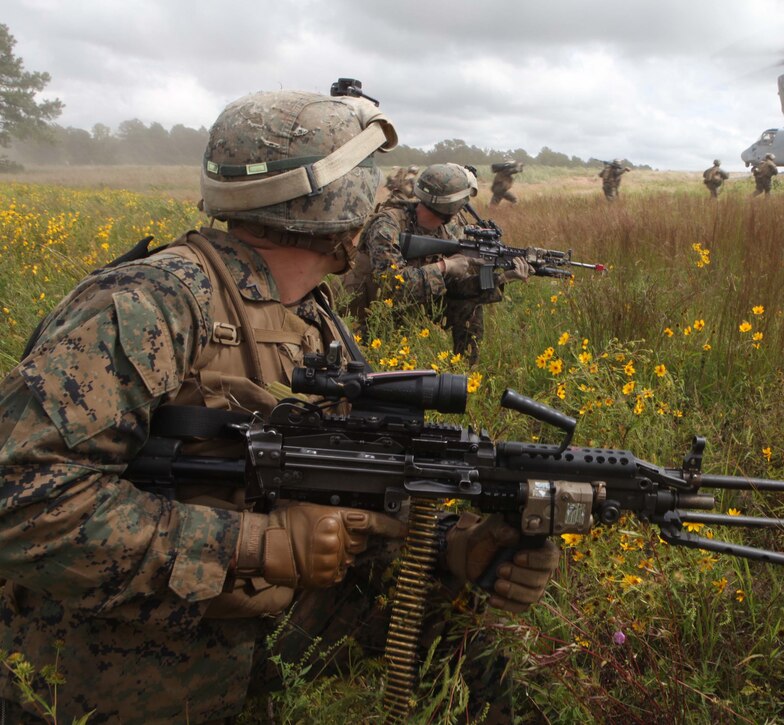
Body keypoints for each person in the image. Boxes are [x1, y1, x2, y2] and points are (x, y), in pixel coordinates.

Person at [0, 90, 558, 723]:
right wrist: (249, 544)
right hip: (111, 662)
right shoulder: (149, 305)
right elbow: (18, 499)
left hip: (251, 618)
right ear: (340, 198)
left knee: (459, 645)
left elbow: (343, 490)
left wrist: (453, 547)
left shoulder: (308, 314)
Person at [341, 162, 533, 364]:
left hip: (412, 305)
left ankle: (464, 371)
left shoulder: (447, 232)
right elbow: (393, 286)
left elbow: (456, 290)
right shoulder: (387, 226)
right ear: (451, 207)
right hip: (368, 311)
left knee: (469, 304)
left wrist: (503, 277)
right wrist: (445, 267)